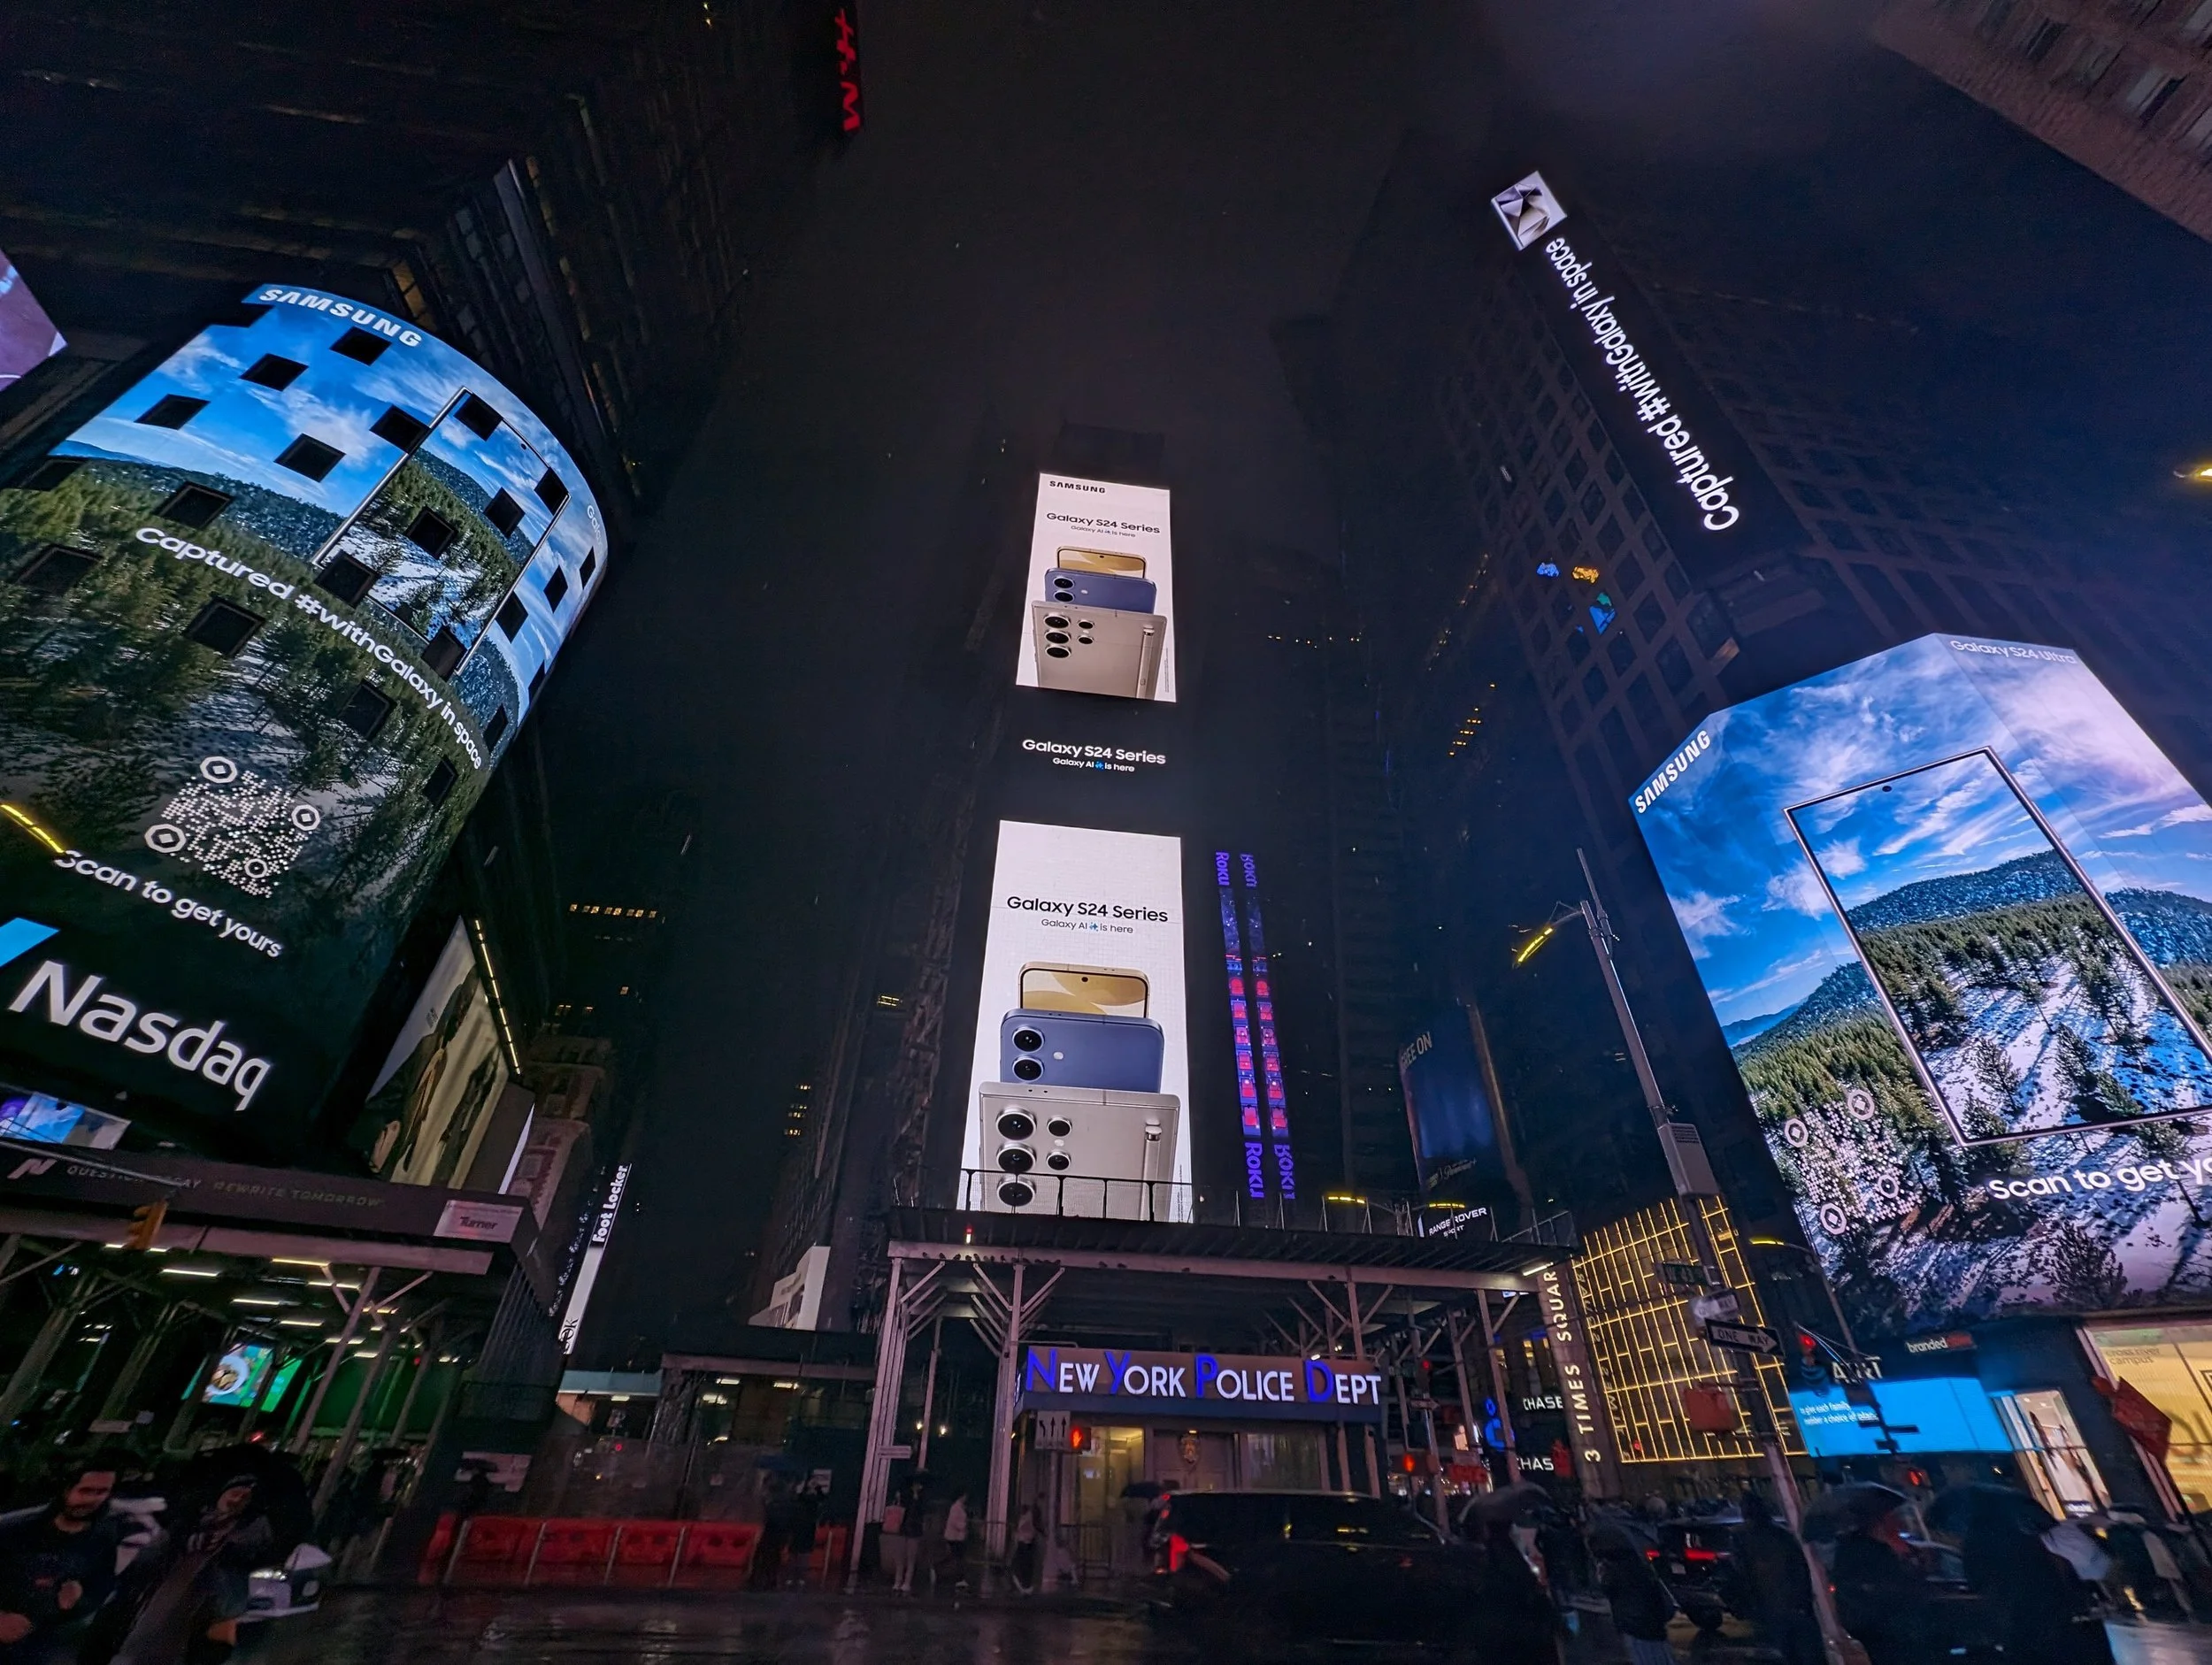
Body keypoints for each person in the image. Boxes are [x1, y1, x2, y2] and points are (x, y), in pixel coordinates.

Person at [0, 1459, 123, 1665]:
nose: (93, 1500)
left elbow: (102, 1584)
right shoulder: (14, 1530)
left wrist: (80, 1597)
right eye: (86, 1491)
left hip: (46, 1641)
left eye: (102, 1492)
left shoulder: (102, 1537)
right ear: (65, 1489)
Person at [1732, 1492, 1821, 1665]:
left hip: (1774, 1606)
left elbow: (1742, 1573)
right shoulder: (1780, 1536)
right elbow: (1799, 1568)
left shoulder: (1744, 1539)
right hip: (1790, 1605)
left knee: (1786, 1652)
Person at [1832, 1505, 1928, 1665]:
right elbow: (1898, 1585)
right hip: (1886, 1623)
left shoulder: (1847, 1549)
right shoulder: (1876, 1551)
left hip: (1867, 1623)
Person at [1591, 1525, 1675, 1665]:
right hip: (1652, 1621)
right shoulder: (1636, 1563)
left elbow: (1609, 1591)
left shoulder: (1612, 1569)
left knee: (1643, 1656)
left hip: (1634, 1624)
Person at [939, 1490, 970, 1593]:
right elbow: (954, 1521)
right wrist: (963, 1526)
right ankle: (959, 1578)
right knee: (957, 1557)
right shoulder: (956, 1507)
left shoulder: (959, 1507)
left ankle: (958, 1578)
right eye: (965, 1496)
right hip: (954, 1537)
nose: (966, 1498)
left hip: (957, 1537)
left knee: (955, 1557)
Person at [1009, 1504, 1039, 1595]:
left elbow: (1026, 1534)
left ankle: (1022, 1587)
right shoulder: (1027, 1520)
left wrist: (1018, 1536)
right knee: (1023, 1567)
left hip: (1023, 1545)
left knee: (1019, 1567)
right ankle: (1023, 1587)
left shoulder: (1025, 1521)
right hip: (1025, 1545)